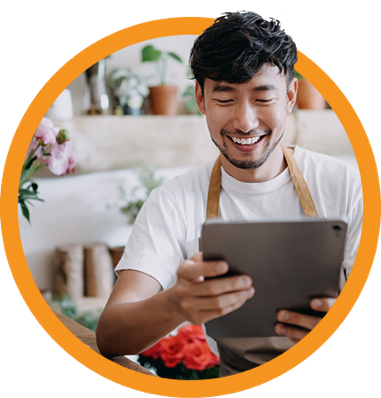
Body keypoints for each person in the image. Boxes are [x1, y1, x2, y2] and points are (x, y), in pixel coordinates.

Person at [96, 10, 362, 376]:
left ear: (289, 97)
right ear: (201, 100)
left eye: (263, 98)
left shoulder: (347, 186)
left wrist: (348, 334)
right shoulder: (173, 201)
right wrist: (176, 303)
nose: (245, 122)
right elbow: (110, 334)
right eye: (224, 99)